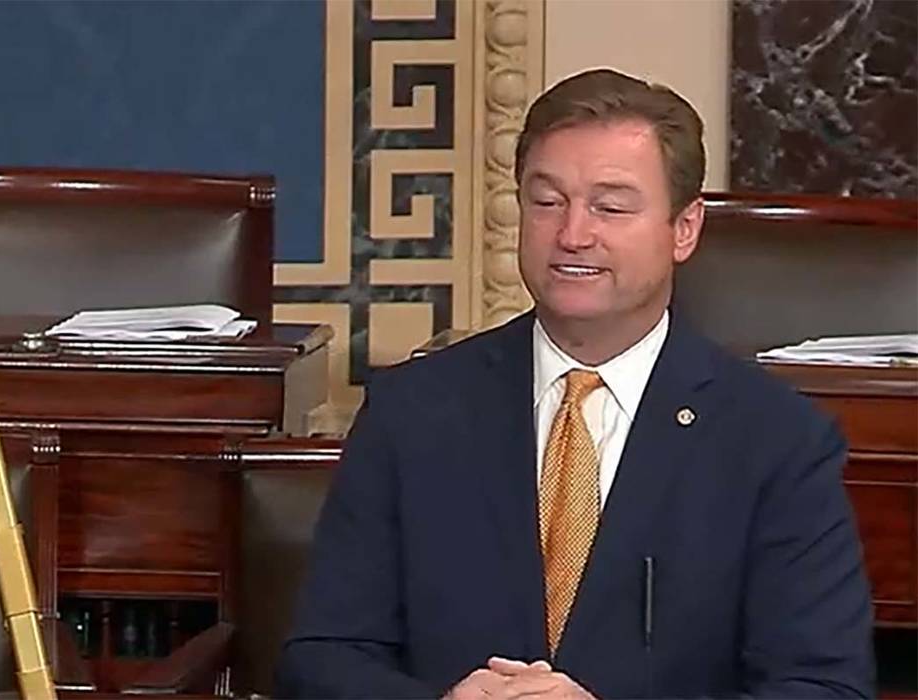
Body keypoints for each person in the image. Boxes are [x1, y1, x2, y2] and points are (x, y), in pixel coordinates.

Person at [275, 68, 874, 699]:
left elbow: (825, 688)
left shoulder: (776, 441)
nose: (572, 235)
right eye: (547, 201)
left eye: (610, 207)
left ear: (684, 228)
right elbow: (321, 658)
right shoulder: (412, 410)